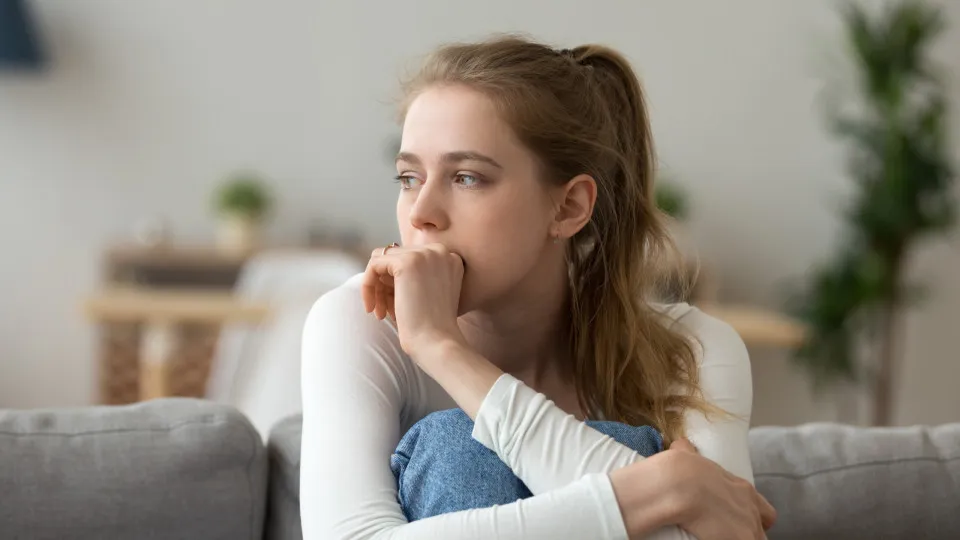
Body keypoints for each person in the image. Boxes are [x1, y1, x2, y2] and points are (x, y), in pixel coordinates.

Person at [300, 34, 777, 539]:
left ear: (568, 207)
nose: (421, 214)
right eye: (408, 177)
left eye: (466, 178)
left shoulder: (694, 349)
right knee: (455, 450)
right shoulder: (358, 323)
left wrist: (448, 354)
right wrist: (662, 487)